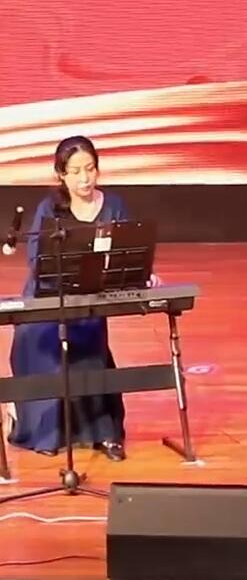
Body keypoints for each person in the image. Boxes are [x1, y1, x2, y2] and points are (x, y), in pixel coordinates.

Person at [6, 136, 130, 459]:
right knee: (47, 348)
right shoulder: (50, 209)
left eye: (90, 169)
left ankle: (103, 432)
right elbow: (37, 261)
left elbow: (128, 252)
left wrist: (141, 274)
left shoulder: (114, 205)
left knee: (89, 350)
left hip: (90, 302)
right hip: (48, 300)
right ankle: (43, 430)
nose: (84, 178)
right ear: (61, 174)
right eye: (75, 172)